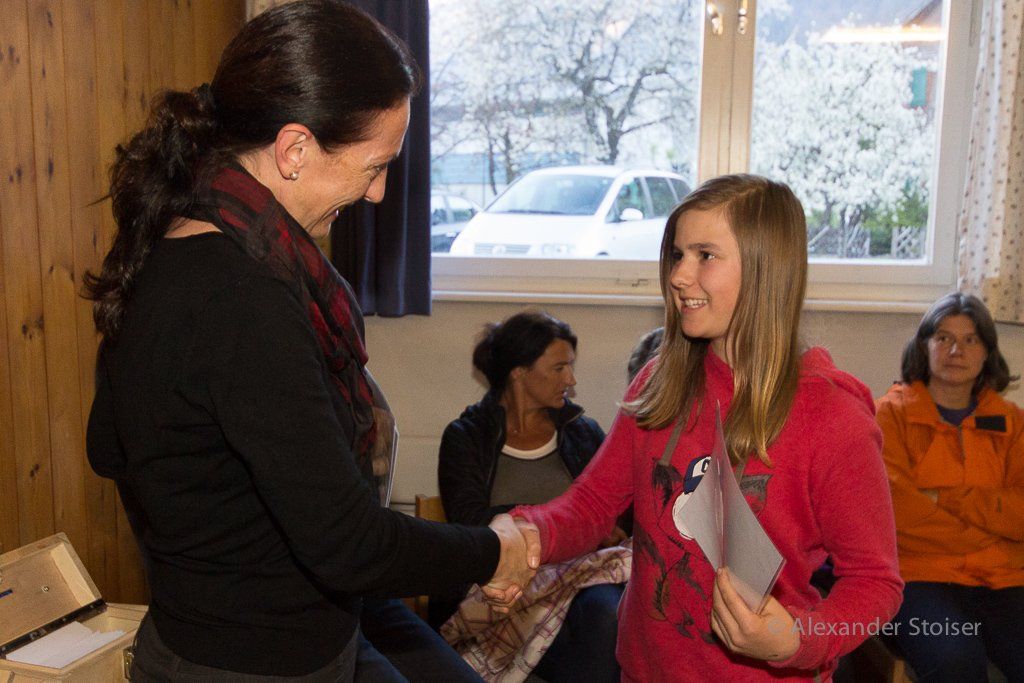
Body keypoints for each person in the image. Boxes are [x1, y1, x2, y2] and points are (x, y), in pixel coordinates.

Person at [83, 2, 536, 680]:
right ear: (294, 150)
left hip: (260, 630)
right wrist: (493, 551)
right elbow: (348, 543)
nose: (378, 193)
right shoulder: (244, 295)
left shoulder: (180, 239)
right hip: (249, 660)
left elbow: (109, 444)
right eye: (374, 165)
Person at [504, 174, 904, 681]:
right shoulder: (661, 381)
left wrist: (798, 639)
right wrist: (527, 533)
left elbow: (876, 583)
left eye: (705, 256)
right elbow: (593, 504)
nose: (678, 275)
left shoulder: (833, 418)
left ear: (765, 270)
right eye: (677, 255)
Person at [437, 310, 624, 682]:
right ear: (519, 372)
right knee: (578, 632)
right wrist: (562, 525)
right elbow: (469, 520)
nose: (571, 380)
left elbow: (620, 512)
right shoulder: (466, 437)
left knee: (606, 612)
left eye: (570, 367)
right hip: (503, 581)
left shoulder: (583, 432)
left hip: (581, 580)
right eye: (559, 368)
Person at [875, 293, 1024, 682]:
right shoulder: (889, 415)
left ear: (987, 352)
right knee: (956, 661)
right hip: (918, 576)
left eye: (970, 339)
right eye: (943, 338)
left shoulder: (1013, 422)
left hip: (1003, 577)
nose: (957, 350)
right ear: (923, 347)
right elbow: (895, 514)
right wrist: (991, 524)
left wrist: (943, 498)